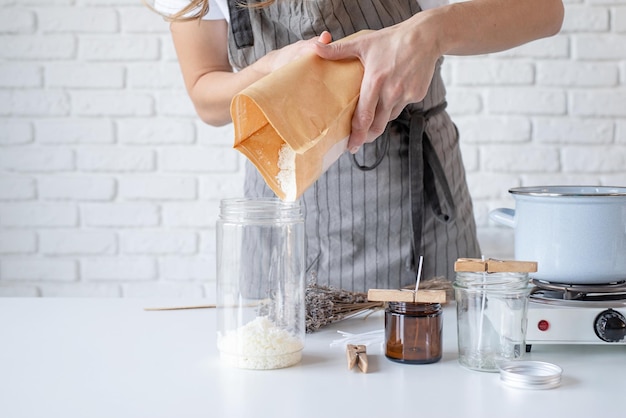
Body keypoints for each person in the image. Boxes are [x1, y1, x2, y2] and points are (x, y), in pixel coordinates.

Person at [151, 0, 564, 292]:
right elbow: (206, 92)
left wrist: (433, 31)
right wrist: (264, 71)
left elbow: (544, 10)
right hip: (285, 214)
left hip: (416, 205)